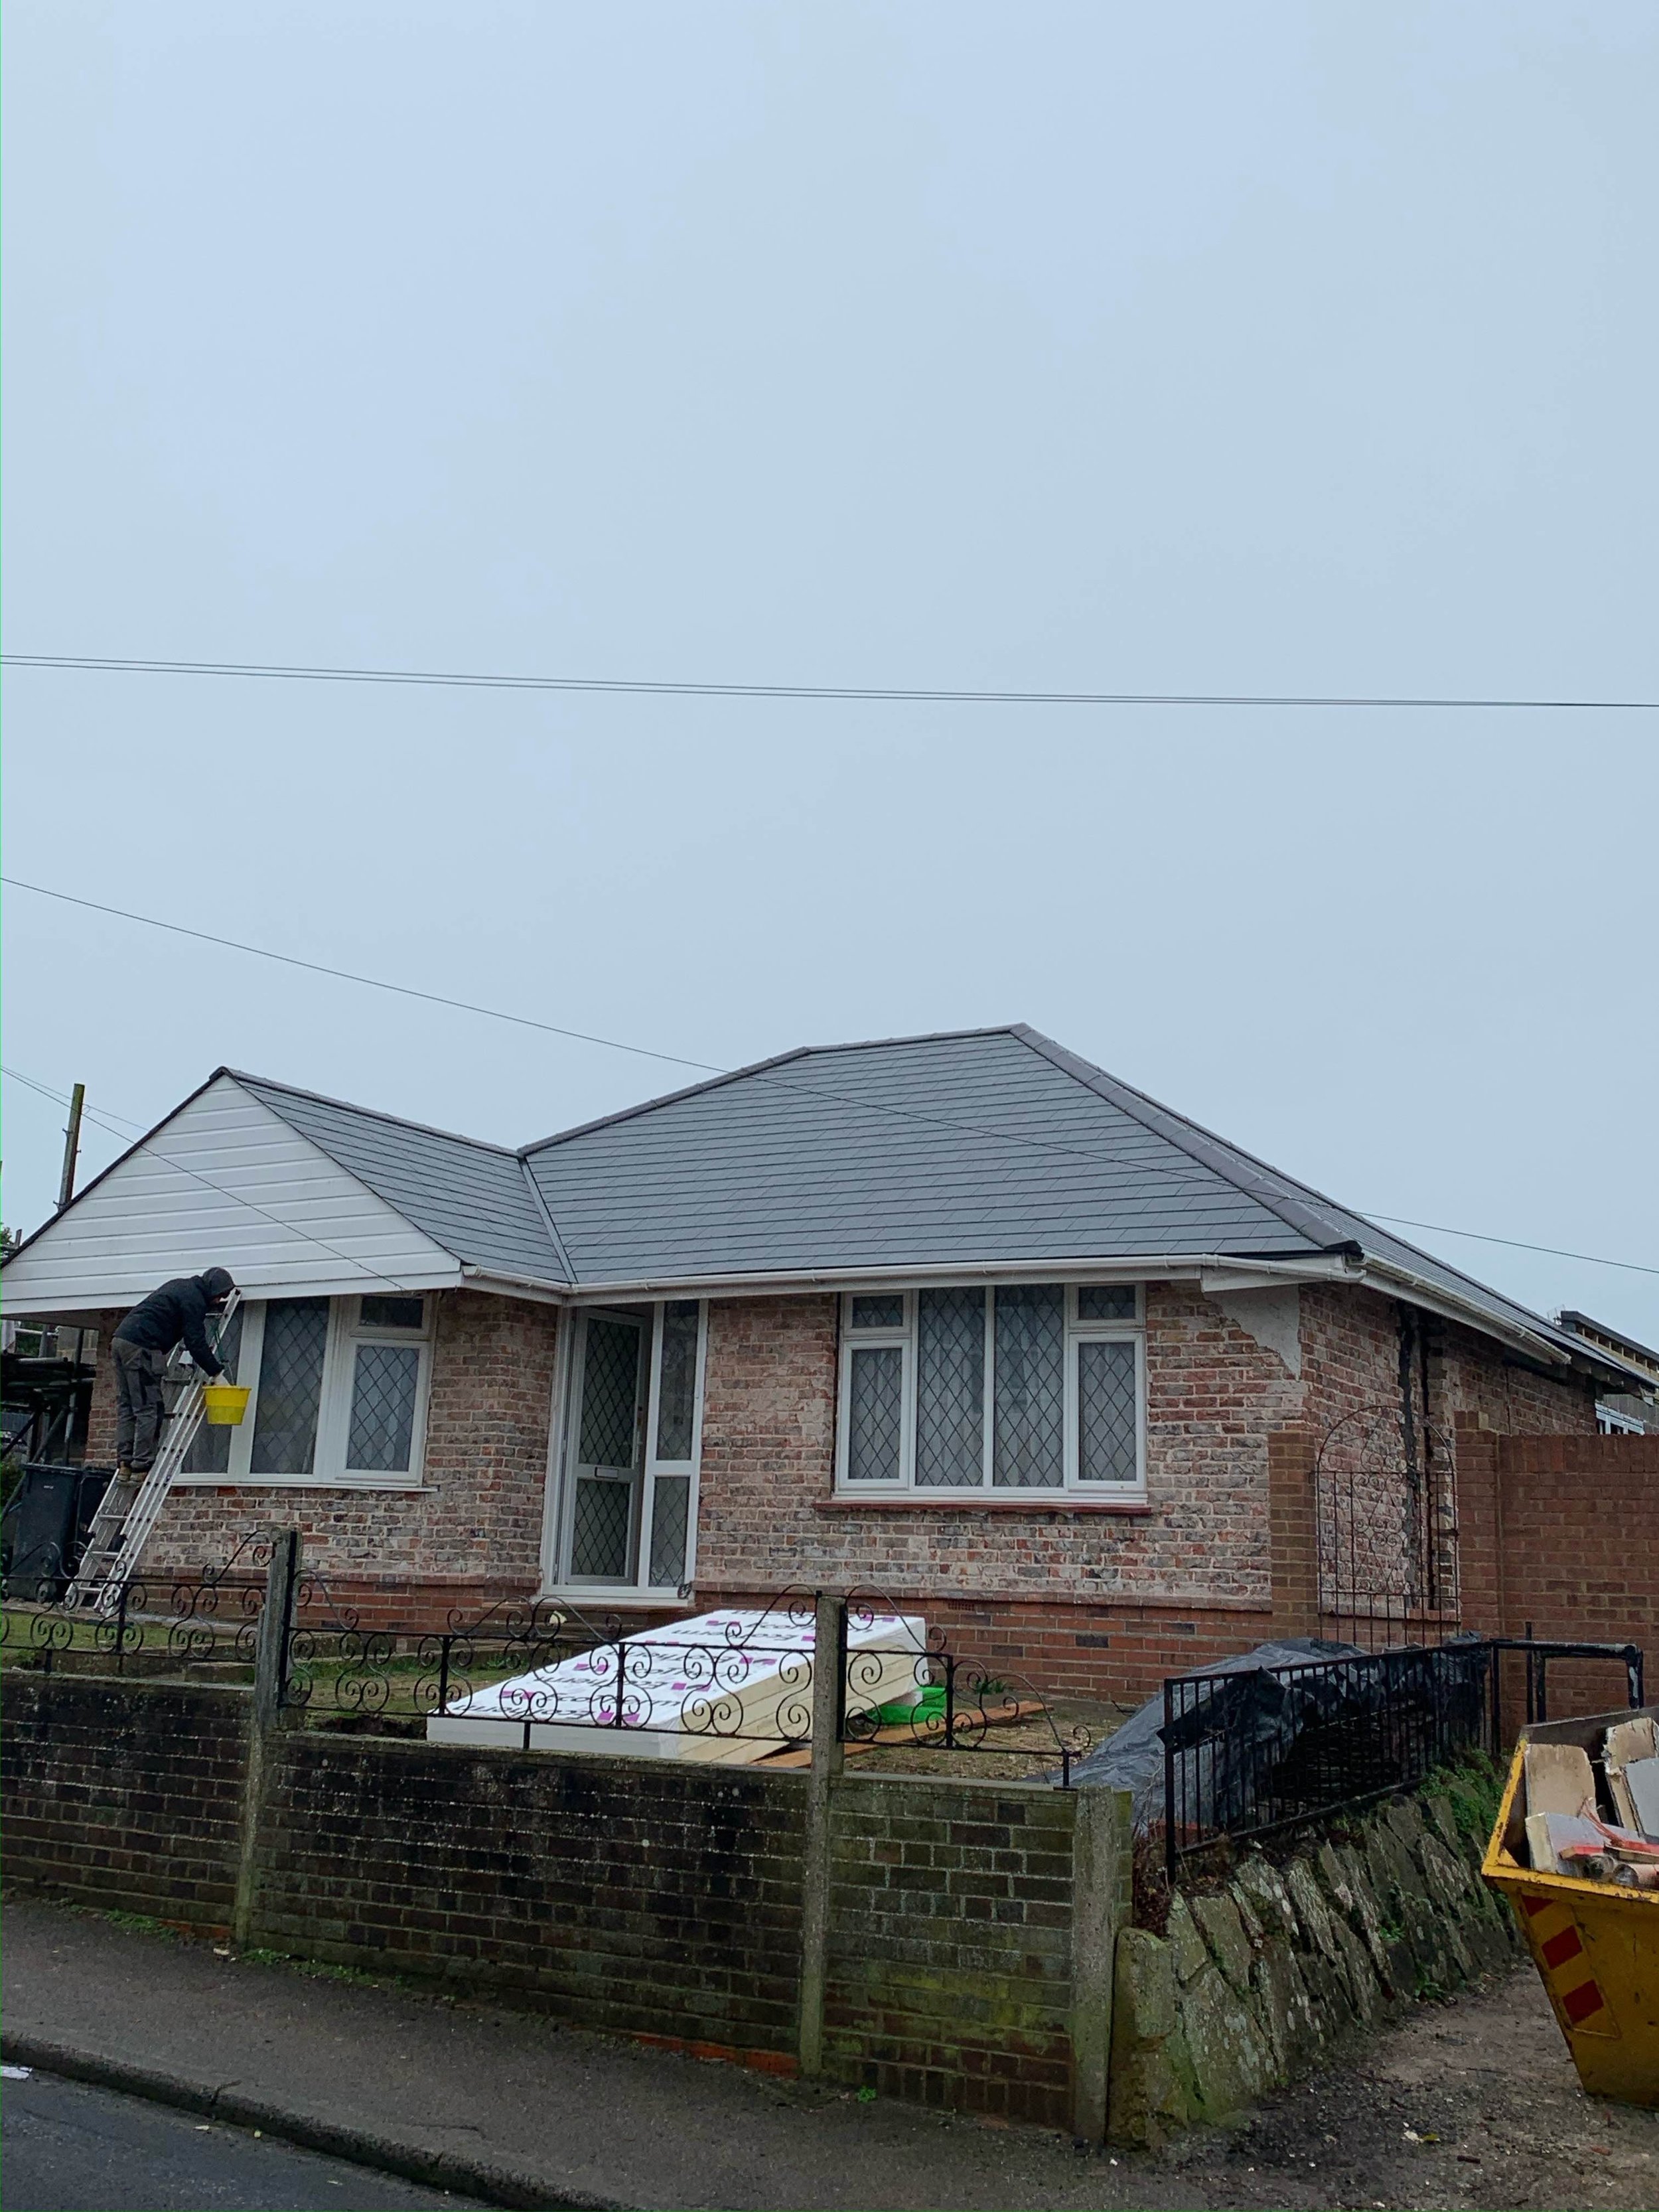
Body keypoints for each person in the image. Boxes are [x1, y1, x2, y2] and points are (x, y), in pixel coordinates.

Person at [110, 1267, 237, 1477]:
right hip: (142, 1346)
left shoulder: (180, 1286)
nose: (219, 1301)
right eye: (220, 1295)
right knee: (149, 1407)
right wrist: (216, 1373)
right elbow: (195, 1342)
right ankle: (141, 1465)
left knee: (129, 1405)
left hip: (121, 1340)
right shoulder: (194, 1299)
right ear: (212, 1289)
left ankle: (125, 1463)